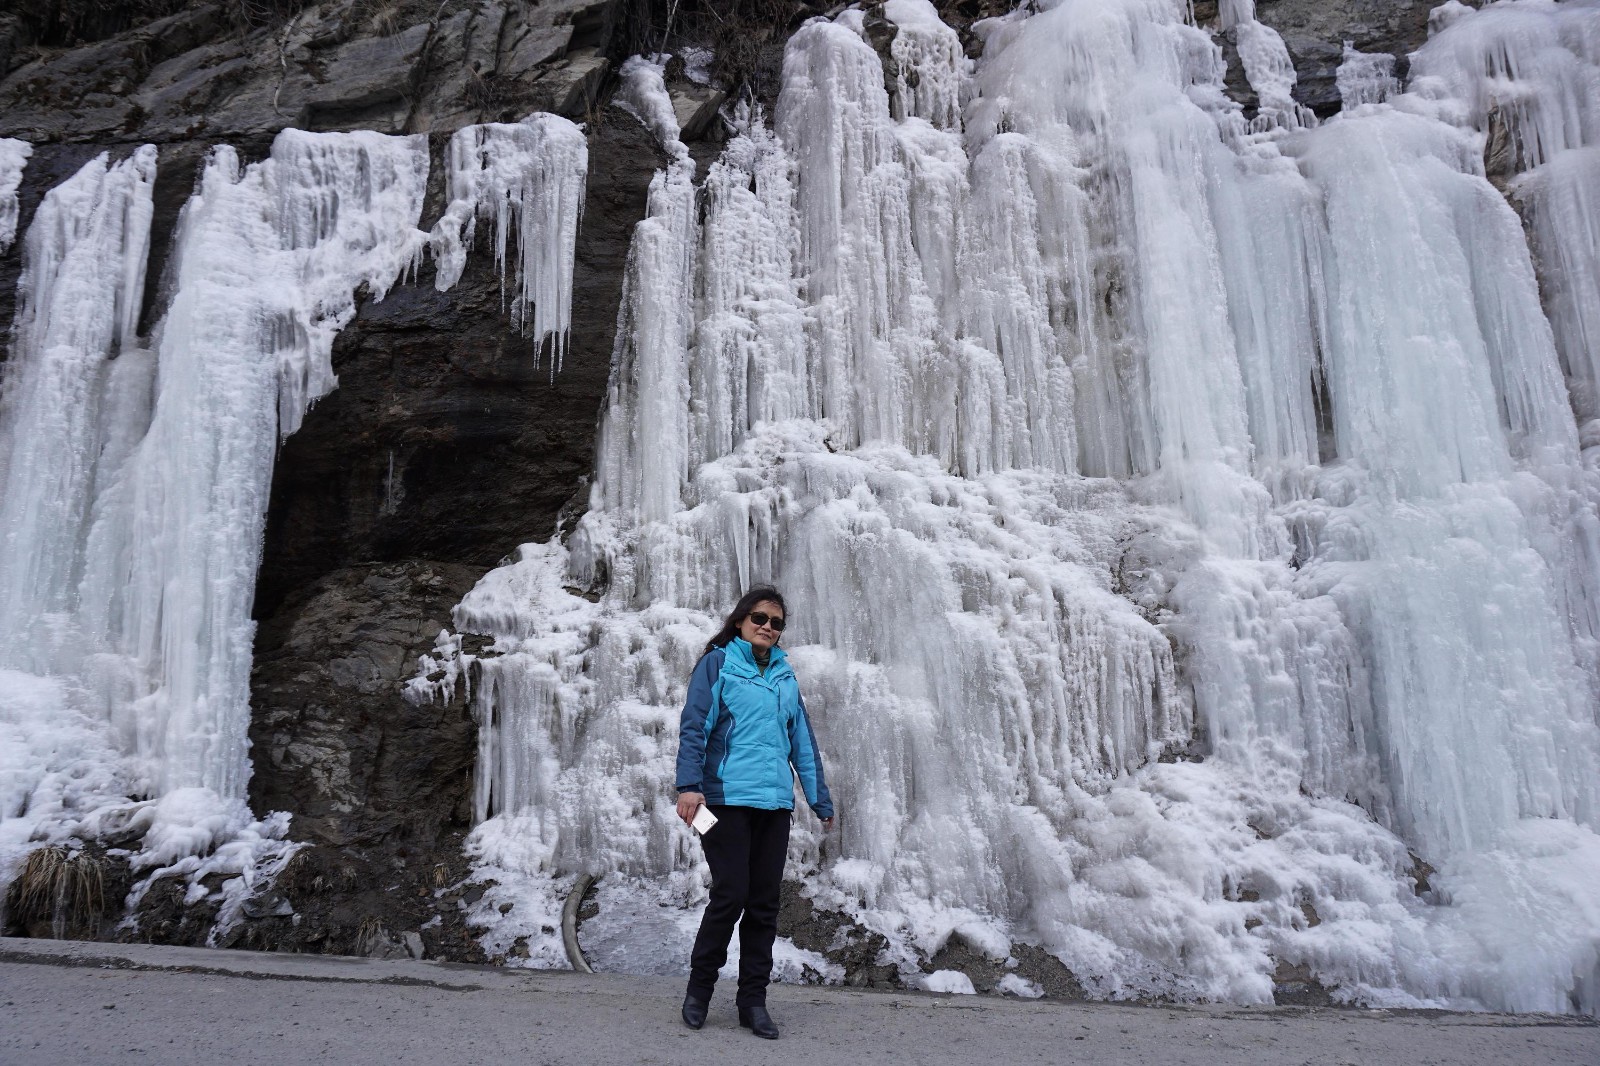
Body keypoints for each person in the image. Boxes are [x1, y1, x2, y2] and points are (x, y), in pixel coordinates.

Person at [674, 587, 834, 1040]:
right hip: (723, 801)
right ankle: (699, 991)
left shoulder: (785, 677)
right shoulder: (719, 663)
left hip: (774, 806)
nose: (767, 626)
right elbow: (695, 725)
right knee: (731, 893)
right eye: (759, 617)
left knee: (764, 904)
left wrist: (819, 800)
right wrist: (689, 786)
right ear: (741, 621)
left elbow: (802, 742)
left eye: (776, 622)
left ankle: (753, 1002)